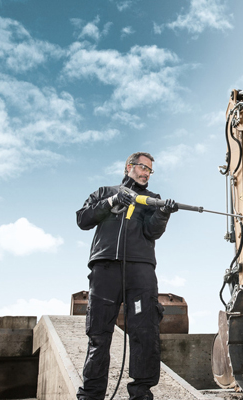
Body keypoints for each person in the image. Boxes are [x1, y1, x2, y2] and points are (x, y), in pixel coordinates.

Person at [75, 152, 178, 400]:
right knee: (98, 334)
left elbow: (151, 232)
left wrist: (164, 213)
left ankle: (141, 394)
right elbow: (83, 219)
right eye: (143, 168)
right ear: (129, 167)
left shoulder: (152, 199)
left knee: (145, 333)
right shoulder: (104, 192)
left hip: (140, 271)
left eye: (150, 170)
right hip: (105, 268)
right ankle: (91, 395)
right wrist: (111, 202)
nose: (146, 173)